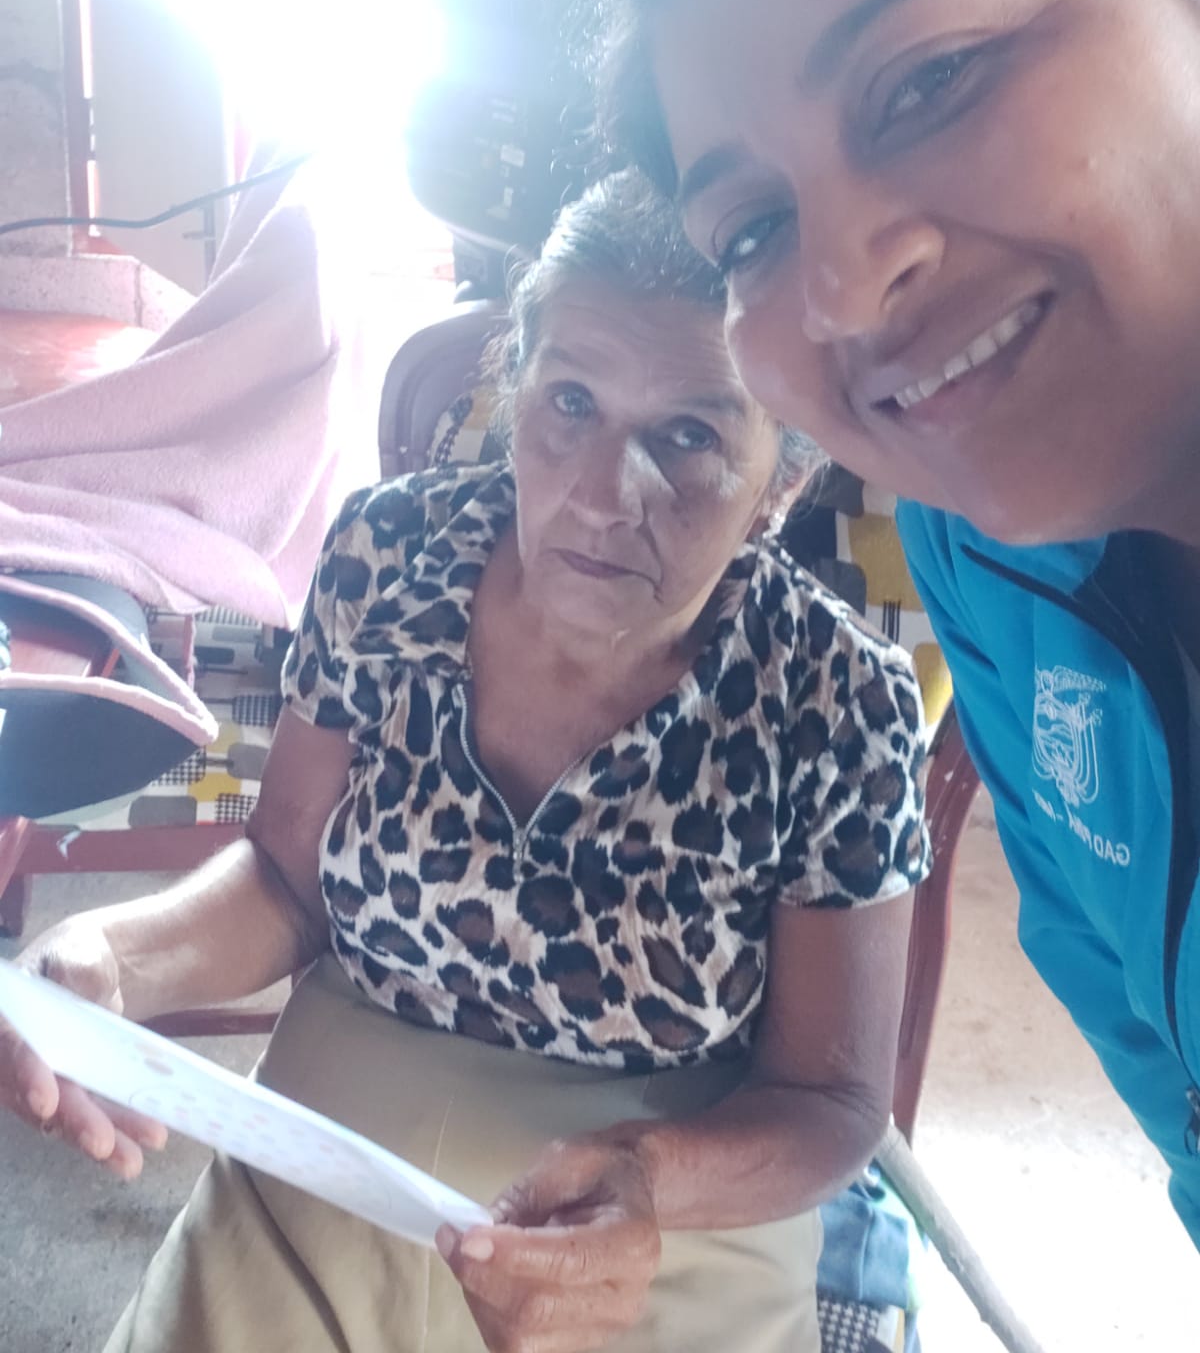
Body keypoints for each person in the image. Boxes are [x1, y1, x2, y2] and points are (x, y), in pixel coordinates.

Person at [0, 171, 929, 1353]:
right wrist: (113, 959)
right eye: (572, 403)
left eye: (691, 436)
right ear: (515, 386)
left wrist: (647, 1175)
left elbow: (833, 1102)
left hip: (660, 1212)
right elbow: (285, 879)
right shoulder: (388, 556)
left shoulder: (837, 701)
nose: (602, 495)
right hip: (337, 1154)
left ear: (781, 481)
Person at [590, 0, 1200, 1251]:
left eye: (930, 78)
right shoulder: (981, 558)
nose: (846, 287)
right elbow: (1143, 1031)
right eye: (753, 228)